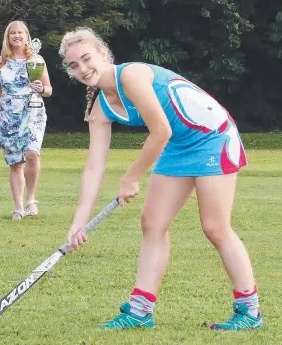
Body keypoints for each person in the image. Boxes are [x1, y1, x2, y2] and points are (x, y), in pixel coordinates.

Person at [60, 27, 261, 330]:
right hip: (178, 144)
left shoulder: (131, 76)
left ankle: (249, 311)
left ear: (103, 53)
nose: (83, 68)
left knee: (215, 226)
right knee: (152, 223)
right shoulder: (100, 106)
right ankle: (140, 311)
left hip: (212, 135)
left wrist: (131, 177)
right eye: (74, 65)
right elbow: (94, 166)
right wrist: (79, 220)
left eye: (87, 58)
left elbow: (161, 131)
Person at [0, 21, 52, 220]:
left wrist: (42, 89)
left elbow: (49, 89)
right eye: (13, 33)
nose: (17, 36)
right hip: (9, 114)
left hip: (33, 112)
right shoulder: (0, 61)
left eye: (20, 32)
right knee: (16, 162)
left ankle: (31, 198)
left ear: (27, 36)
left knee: (32, 154)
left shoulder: (36, 60)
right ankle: (19, 206)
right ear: (8, 37)